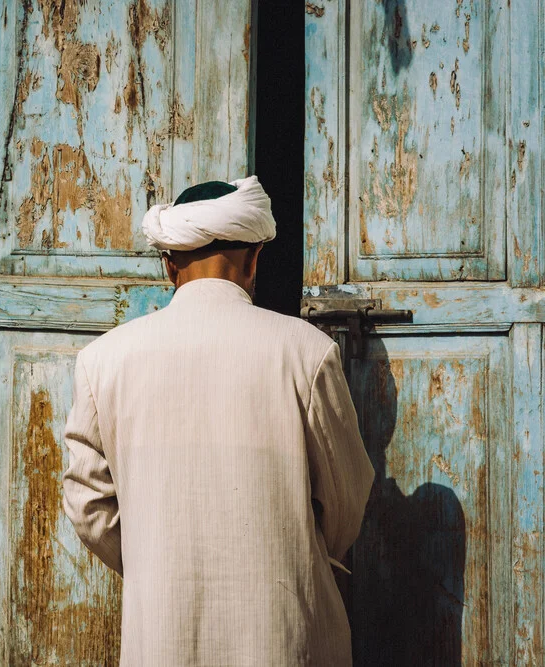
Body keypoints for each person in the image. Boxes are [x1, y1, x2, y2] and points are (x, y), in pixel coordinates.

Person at [61, 176, 375, 666]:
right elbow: (347, 496)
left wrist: (156, 560)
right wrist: (296, 551)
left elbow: (87, 507)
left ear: (169, 264)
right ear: (253, 259)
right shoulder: (307, 353)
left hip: (162, 639)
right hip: (286, 638)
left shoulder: (103, 361)